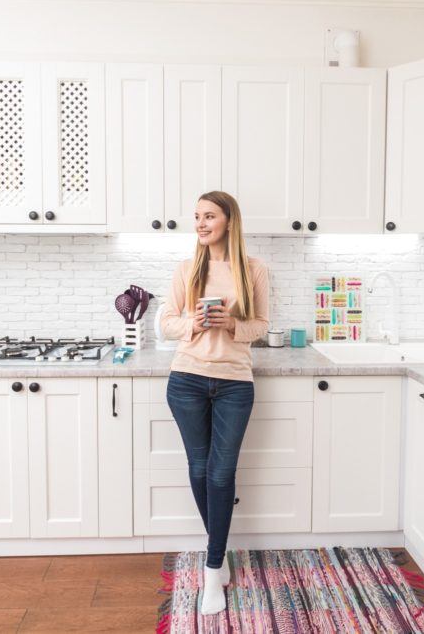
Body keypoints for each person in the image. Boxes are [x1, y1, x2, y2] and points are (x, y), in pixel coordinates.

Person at [160, 190, 270, 614]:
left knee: (221, 476)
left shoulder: (254, 269)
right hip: (186, 379)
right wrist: (195, 322)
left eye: (209, 216)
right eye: (197, 217)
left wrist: (232, 325)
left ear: (229, 221)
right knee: (199, 469)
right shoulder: (187, 270)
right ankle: (216, 562)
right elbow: (168, 322)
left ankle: (212, 568)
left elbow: (261, 325)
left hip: (234, 383)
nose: (201, 224)